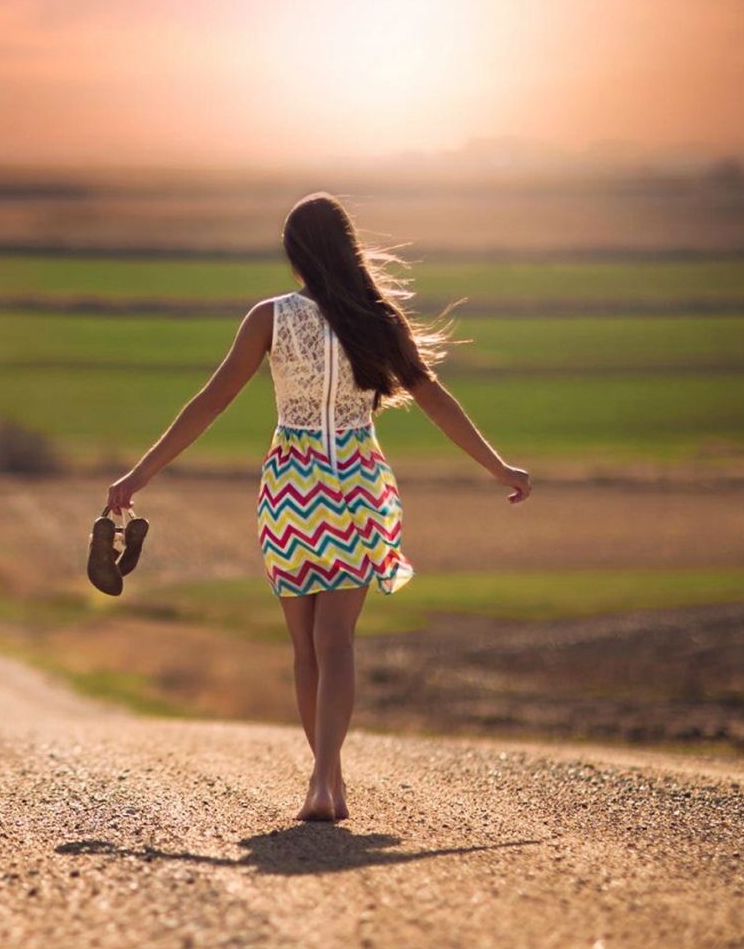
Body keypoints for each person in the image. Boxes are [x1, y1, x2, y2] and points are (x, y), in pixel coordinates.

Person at [104, 192, 531, 822]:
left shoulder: (270, 317)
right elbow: (435, 399)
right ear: (349, 249)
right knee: (337, 642)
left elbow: (210, 402)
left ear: (296, 255)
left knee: (306, 648)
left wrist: (138, 475)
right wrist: (498, 467)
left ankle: (325, 781)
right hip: (357, 483)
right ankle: (325, 779)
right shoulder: (379, 319)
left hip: (291, 488)